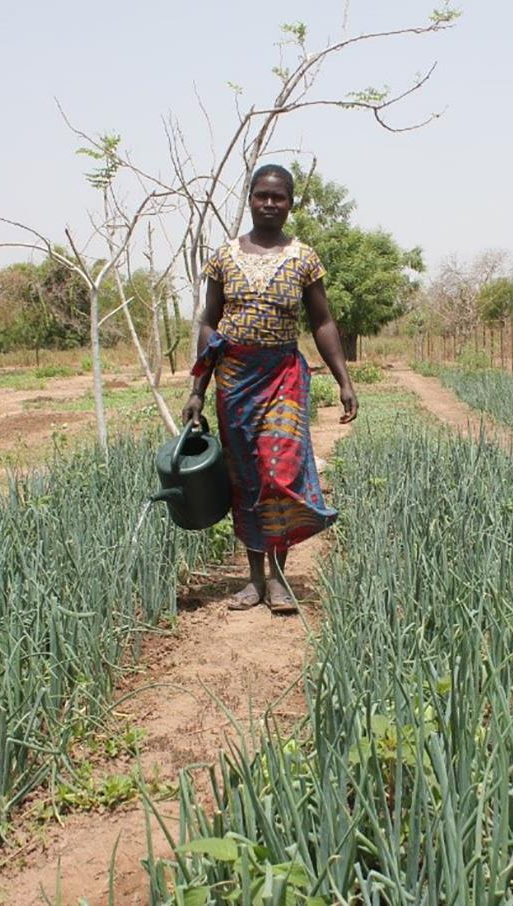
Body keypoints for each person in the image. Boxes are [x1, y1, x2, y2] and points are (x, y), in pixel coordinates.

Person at [182, 164, 358, 614]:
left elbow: (322, 321)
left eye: (279, 197)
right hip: (234, 380)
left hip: (283, 376)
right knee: (246, 477)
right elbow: (209, 323)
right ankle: (255, 578)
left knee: (279, 473)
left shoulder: (304, 258)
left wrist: (343, 379)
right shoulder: (223, 257)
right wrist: (198, 389)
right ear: (250, 199)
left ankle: (279, 578)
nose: (269, 203)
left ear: (290, 203)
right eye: (262, 195)